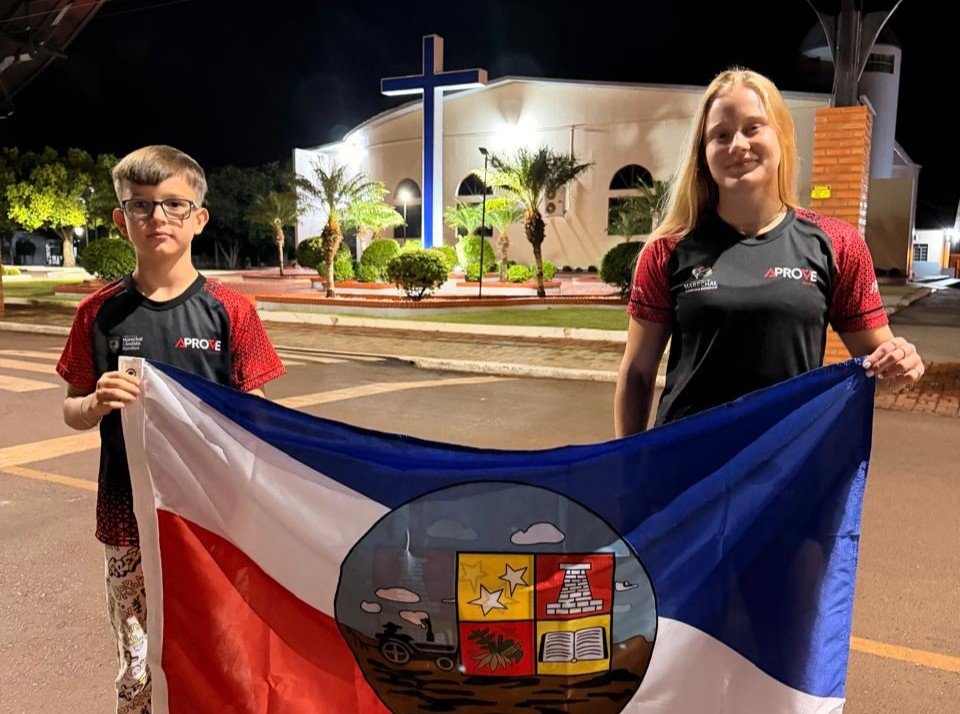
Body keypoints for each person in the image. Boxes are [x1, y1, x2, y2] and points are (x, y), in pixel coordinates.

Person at [56, 145, 286, 713]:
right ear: (120, 219)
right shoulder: (98, 314)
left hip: (215, 519)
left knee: (220, 649)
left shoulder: (232, 311)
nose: (158, 218)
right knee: (137, 662)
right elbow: (71, 407)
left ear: (199, 218)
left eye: (174, 205)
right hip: (127, 518)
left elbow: (259, 413)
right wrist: (95, 403)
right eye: (141, 206)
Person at [614, 68, 924, 436]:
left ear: (783, 136)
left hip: (787, 468)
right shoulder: (667, 250)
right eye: (720, 135)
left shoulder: (837, 244)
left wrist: (901, 361)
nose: (737, 145)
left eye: (753, 127)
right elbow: (636, 374)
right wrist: (627, 469)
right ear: (703, 153)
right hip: (687, 472)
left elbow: (882, 367)